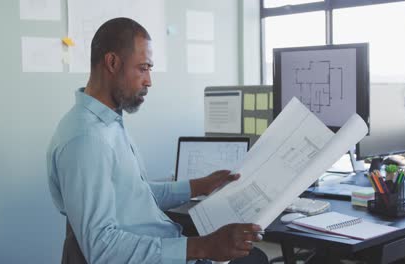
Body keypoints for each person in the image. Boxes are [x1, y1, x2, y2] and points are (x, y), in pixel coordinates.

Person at [46, 17, 268, 264]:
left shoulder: (107, 124)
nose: (149, 80)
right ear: (112, 63)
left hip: (162, 243)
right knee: (252, 259)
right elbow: (101, 248)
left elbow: (135, 194)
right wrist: (202, 247)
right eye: (143, 68)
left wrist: (199, 185)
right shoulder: (87, 140)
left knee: (251, 257)